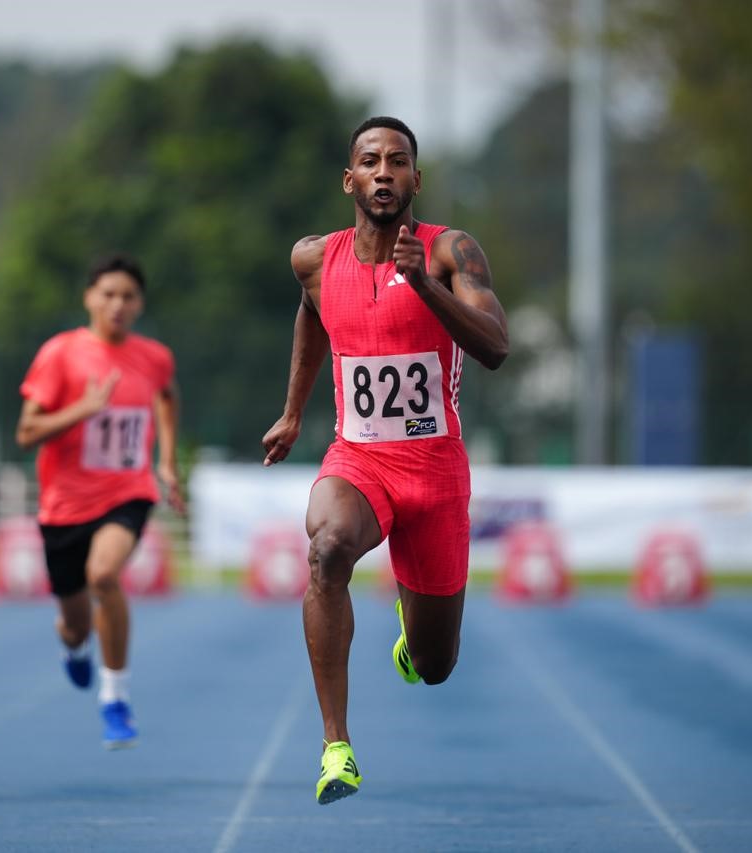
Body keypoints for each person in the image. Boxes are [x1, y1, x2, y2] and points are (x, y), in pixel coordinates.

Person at [260, 117, 508, 804]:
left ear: (415, 180)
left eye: (398, 161)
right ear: (350, 180)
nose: (384, 172)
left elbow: (496, 346)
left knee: (434, 665)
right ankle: (335, 747)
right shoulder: (314, 259)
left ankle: (411, 630)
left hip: (435, 471)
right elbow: (311, 313)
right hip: (360, 459)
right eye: (370, 161)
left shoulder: (451, 251)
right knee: (327, 549)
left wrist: (425, 285)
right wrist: (292, 411)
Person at [15, 253, 184, 749]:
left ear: (140, 304)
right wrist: (83, 409)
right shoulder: (60, 354)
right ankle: (73, 645)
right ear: (89, 298)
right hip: (64, 506)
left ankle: (115, 698)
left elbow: (168, 397)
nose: (117, 305)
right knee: (74, 624)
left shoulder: (155, 357)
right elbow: (26, 432)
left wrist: (167, 461)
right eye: (108, 294)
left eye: (128, 296)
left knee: (104, 575)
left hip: (127, 493)